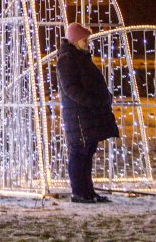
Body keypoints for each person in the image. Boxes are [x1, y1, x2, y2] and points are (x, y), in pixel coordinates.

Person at [56, 22, 120, 203]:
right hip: (79, 115)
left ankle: (88, 191)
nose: (87, 42)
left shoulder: (79, 57)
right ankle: (79, 192)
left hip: (86, 114)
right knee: (79, 153)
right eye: (84, 39)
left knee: (87, 151)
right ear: (76, 40)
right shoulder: (68, 59)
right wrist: (91, 100)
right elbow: (71, 88)